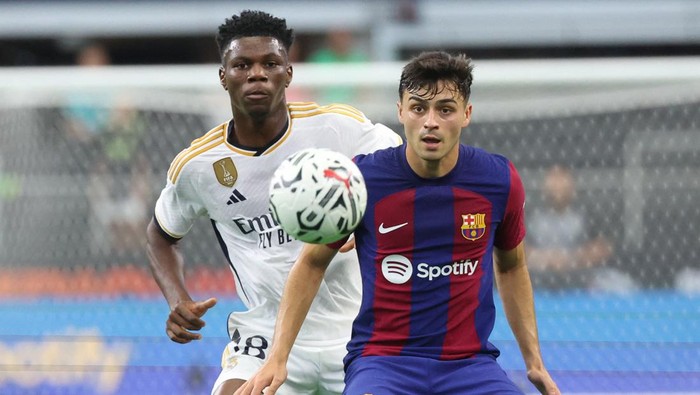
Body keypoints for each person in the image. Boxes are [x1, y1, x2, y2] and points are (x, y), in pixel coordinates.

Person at [237, 51, 560, 395]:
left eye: (445, 109)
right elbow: (311, 263)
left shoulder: (498, 180)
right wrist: (277, 357)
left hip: (470, 365)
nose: (430, 121)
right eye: (419, 108)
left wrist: (534, 362)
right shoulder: (360, 181)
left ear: (466, 114)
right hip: (383, 364)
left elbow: (511, 267)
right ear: (401, 111)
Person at [145, 10, 402, 395]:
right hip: (264, 336)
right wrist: (177, 299)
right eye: (242, 65)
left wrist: (364, 214)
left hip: (356, 331)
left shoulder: (337, 127)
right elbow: (160, 234)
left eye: (270, 63)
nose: (257, 74)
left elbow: (403, 170)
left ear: (289, 73)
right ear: (223, 76)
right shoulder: (198, 165)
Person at [527, 165, 636, 292]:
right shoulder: (530, 215)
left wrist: (571, 259)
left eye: (562, 178)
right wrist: (545, 259)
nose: (557, 185)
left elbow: (604, 247)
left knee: (625, 287)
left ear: (572, 186)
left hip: (583, 277)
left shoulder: (587, 214)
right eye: (553, 178)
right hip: (536, 278)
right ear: (544, 186)